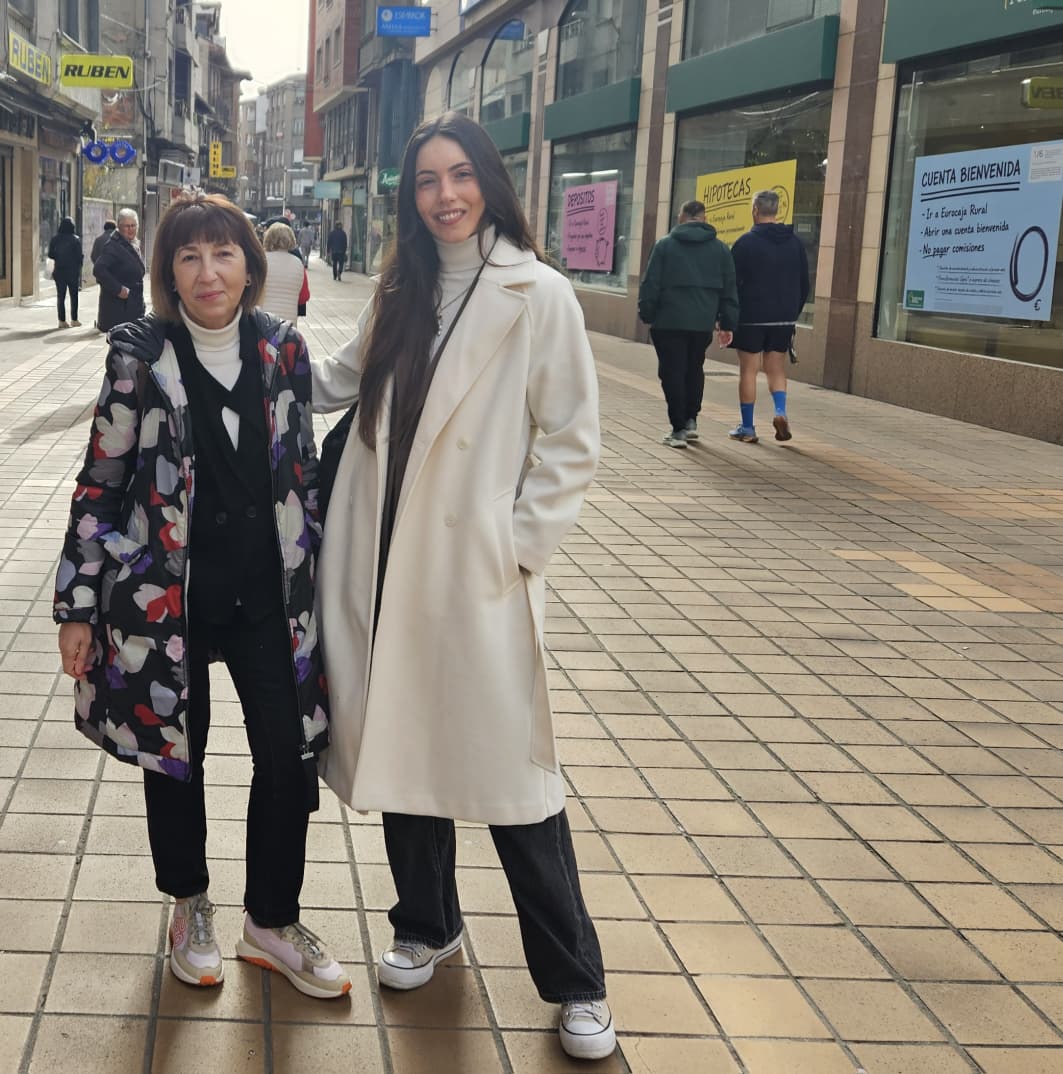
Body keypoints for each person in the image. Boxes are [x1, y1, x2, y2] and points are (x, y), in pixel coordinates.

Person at [311, 113, 614, 1061]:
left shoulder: (539, 294)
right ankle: (426, 922)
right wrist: (235, 349)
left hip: (469, 570)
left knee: (517, 784)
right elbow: (337, 379)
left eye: (460, 176)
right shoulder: (402, 287)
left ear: (489, 181)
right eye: (427, 180)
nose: (444, 196)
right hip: (380, 557)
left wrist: (515, 547)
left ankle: (574, 981)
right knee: (405, 749)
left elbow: (570, 437)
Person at [54, 191, 349, 1001]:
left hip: (268, 596)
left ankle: (272, 919)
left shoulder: (282, 352)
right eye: (188, 257)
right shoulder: (139, 359)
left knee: (286, 757)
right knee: (174, 758)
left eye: (223, 254)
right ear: (168, 274)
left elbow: (304, 475)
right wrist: (77, 604)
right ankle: (189, 905)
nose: (208, 272)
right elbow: (100, 482)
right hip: (164, 601)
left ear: (252, 267)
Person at [637, 200, 738, 448]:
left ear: (680, 218)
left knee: (672, 372)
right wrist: (727, 322)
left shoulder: (664, 246)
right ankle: (691, 419)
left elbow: (651, 284)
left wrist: (647, 313)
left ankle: (678, 428)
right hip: (702, 323)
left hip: (668, 321)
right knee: (694, 368)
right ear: (704, 219)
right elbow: (730, 289)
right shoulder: (721, 249)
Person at [730, 189, 811, 443]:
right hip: (783, 318)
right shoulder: (795, 243)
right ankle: (780, 411)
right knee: (776, 368)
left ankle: (747, 427)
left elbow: (732, 283)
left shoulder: (744, 243)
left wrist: (728, 315)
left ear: (755, 210)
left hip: (751, 317)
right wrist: (792, 312)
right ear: (776, 211)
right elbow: (804, 283)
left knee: (749, 370)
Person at [94, 208, 145, 332]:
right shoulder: (113, 246)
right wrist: (118, 289)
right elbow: (99, 269)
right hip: (119, 311)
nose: (131, 229)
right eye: (126, 226)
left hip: (132, 308)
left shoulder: (132, 244)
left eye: (133, 225)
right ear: (119, 227)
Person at [260, 222, 309, 325]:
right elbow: (304, 297)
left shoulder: (261, 260)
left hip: (263, 324)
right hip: (288, 328)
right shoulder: (298, 264)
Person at [48, 217, 84, 328]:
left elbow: (50, 254)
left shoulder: (55, 239)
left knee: (61, 296)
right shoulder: (76, 239)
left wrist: (59, 256)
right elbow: (79, 256)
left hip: (59, 271)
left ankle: (62, 321)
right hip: (72, 271)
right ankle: (74, 319)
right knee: (74, 296)